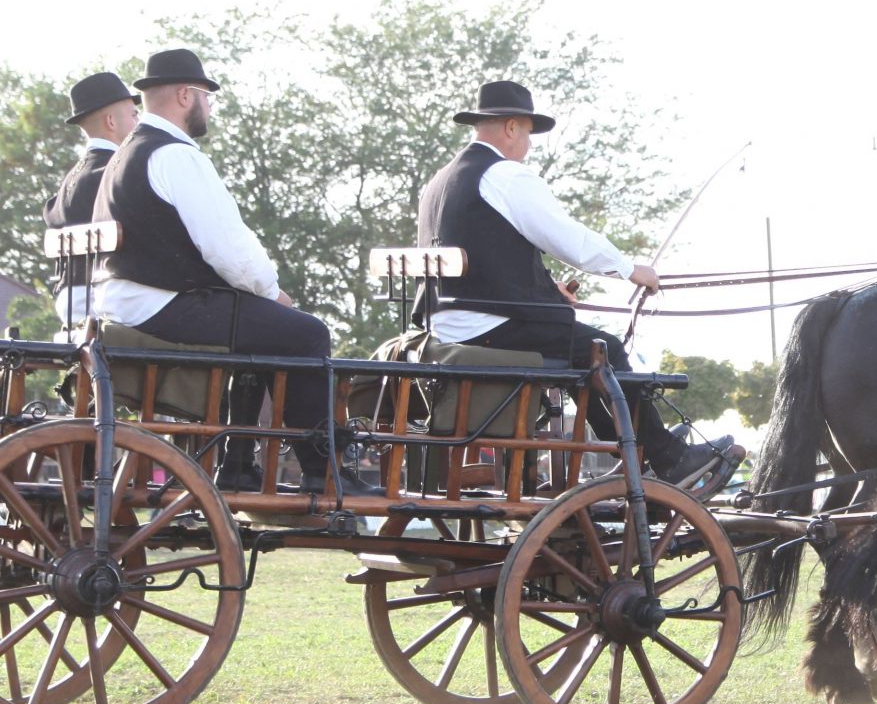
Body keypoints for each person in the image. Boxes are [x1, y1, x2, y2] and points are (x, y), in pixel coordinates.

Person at [416, 79, 731, 482]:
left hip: (448, 327)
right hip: (491, 328)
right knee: (606, 351)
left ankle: (637, 449)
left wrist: (549, 294)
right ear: (512, 127)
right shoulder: (505, 176)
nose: (527, 145)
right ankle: (667, 457)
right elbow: (568, 239)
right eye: (527, 133)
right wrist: (631, 269)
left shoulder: (439, 183)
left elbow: (489, 256)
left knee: (585, 351)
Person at [90, 48, 371, 494]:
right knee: (306, 333)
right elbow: (228, 249)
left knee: (267, 329)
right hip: (163, 304)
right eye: (206, 95)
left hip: (132, 303)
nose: (210, 105)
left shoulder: (127, 153)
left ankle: (238, 465)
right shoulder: (177, 156)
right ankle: (324, 473)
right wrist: (272, 291)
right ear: (185, 94)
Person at [43, 71, 139, 338]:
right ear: (111, 121)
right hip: (104, 304)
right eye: (133, 115)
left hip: (69, 303)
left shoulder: (70, 180)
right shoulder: (118, 174)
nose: (139, 123)